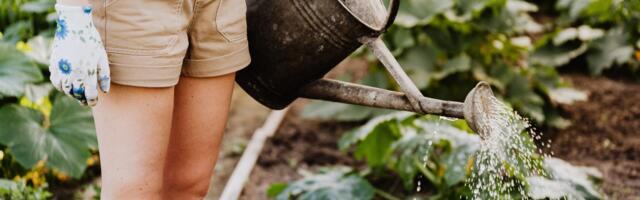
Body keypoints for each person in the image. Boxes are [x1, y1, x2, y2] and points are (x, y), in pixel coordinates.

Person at [49, 0, 250, 199]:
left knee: (189, 185)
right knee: (133, 192)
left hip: (219, 6)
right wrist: (72, 13)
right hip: (137, 10)